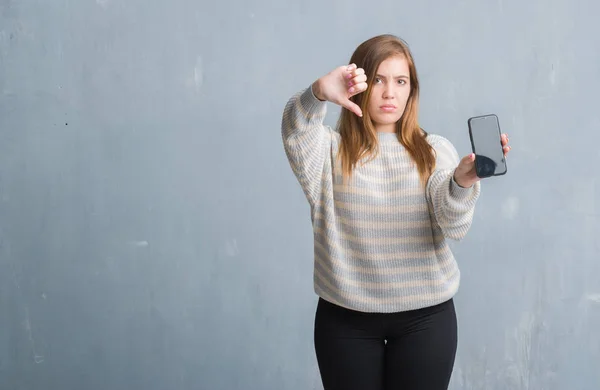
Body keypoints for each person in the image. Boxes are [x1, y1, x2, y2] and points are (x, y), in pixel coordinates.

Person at [280, 34, 511, 390]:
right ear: (357, 85)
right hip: (345, 322)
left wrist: (461, 182)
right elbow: (296, 130)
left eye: (400, 81)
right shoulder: (327, 152)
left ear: (411, 89)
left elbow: (453, 223)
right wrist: (318, 92)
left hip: (425, 320)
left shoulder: (434, 151)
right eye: (378, 80)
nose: (390, 93)